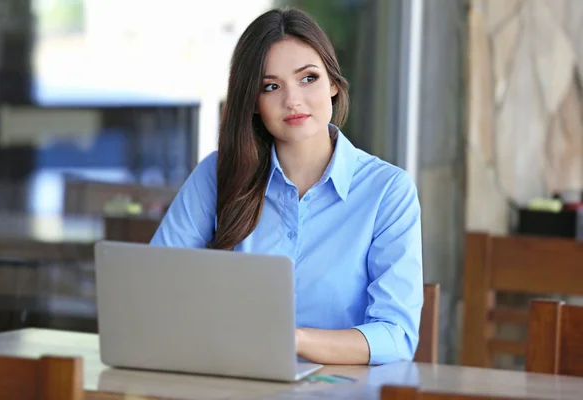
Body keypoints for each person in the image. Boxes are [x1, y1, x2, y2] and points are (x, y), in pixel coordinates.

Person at [150, 7, 423, 366]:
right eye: (271, 86)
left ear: (334, 84)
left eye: (308, 78)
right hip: (231, 381)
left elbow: (396, 334)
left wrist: (290, 339)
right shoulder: (216, 175)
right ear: (253, 103)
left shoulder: (388, 192)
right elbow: (154, 288)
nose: (292, 100)